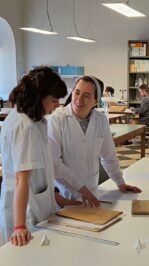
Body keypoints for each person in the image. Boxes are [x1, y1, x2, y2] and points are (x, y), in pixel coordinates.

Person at [0, 66, 81, 247]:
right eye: (53, 100)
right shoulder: (24, 126)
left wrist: (59, 199)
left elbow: (42, 171)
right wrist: (20, 226)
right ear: (39, 97)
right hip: (26, 212)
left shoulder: (36, 121)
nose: (57, 105)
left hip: (39, 204)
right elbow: (22, 180)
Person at [48, 75, 142, 207]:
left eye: (86, 96)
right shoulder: (57, 119)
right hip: (66, 195)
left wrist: (120, 182)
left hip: (92, 192)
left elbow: (109, 156)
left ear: (96, 102)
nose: (79, 100)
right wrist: (81, 188)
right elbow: (54, 164)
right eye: (77, 92)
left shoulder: (101, 120)